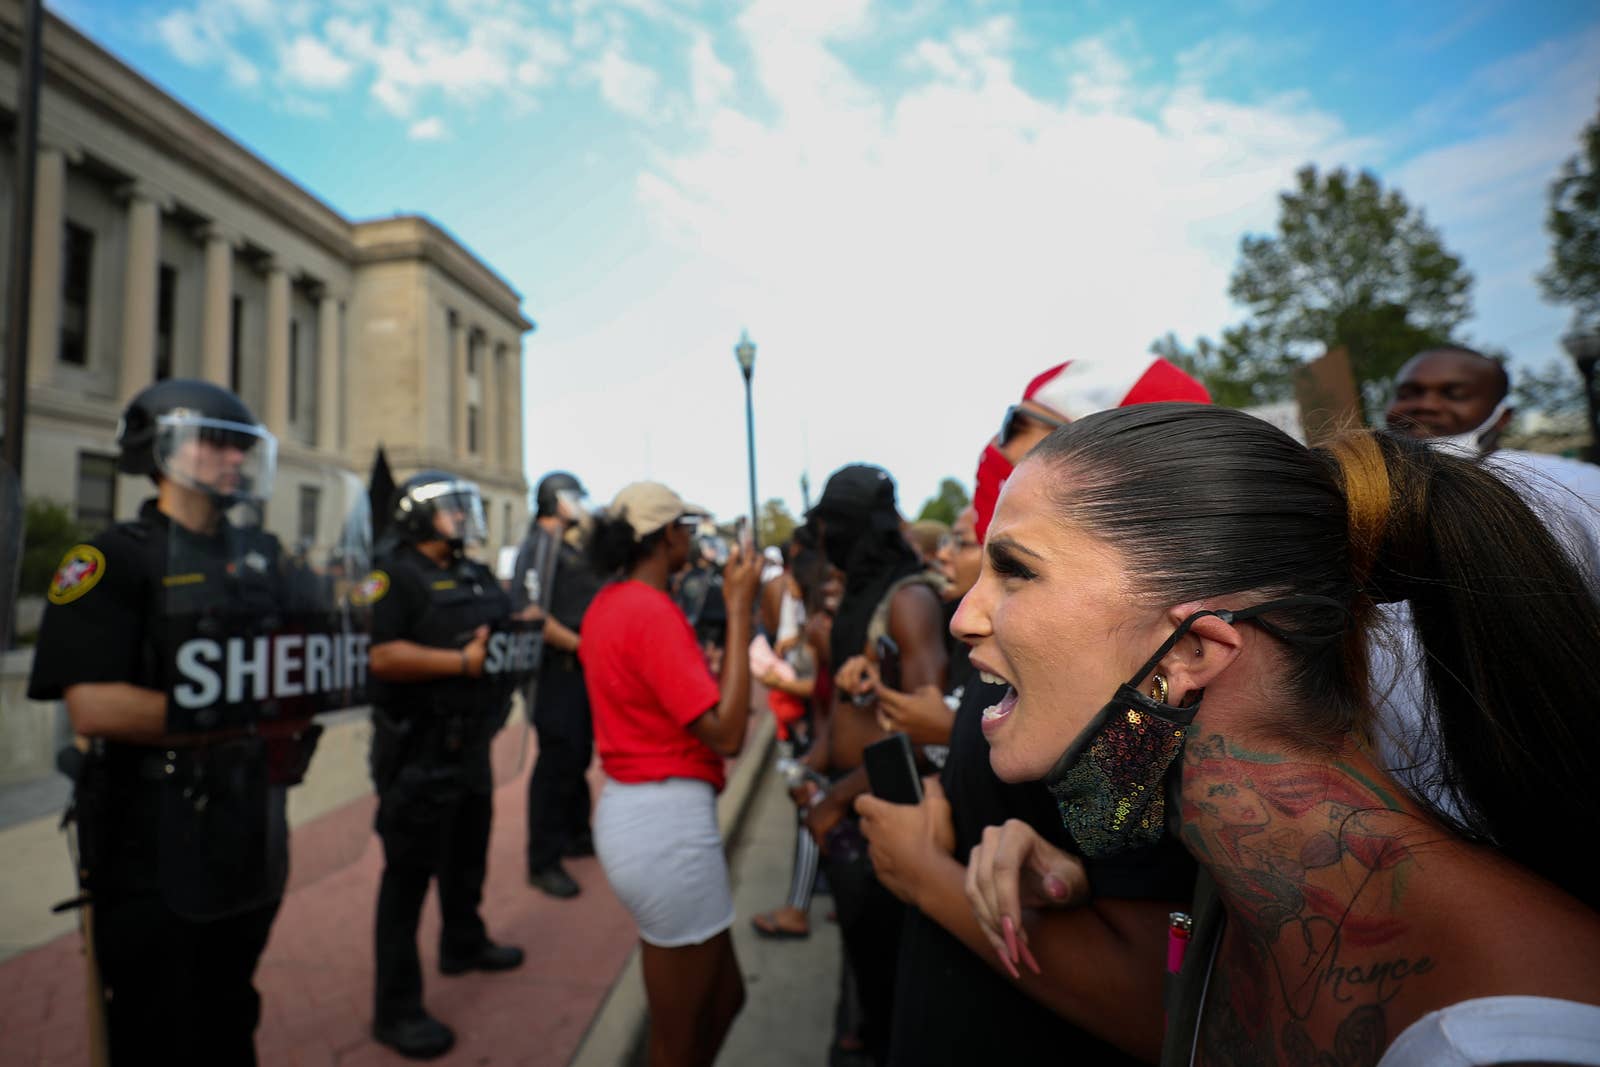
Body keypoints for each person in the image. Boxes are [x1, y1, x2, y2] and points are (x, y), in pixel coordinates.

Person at [960, 403, 1600, 1066]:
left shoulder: (1509, 1034)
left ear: (1189, 653)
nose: (963, 617)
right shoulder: (1232, 891)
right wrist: (1073, 884)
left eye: (1016, 571)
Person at [856, 360, 1207, 1066]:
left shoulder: (1139, 709)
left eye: (1016, 569)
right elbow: (1070, 849)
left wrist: (926, 874)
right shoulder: (1078, 667)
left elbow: (1156, 1002)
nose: (965, 618)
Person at [26, 379, 302, 1064]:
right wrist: (235, 716)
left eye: (242, 447)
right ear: (162, 448)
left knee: (232, 1007)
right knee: (159, 1024)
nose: (234, 461)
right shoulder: (110, 559)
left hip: (250, 826)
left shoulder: (261, 559)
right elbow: (94, 705)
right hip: (153, 838)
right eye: (217, 442)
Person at [581, 482, 764, 1066]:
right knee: (677, 1042)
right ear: (665, 537)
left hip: (649, 816)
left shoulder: (609, 604)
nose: (691, 535)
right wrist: (738, 608)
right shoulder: (648, 610)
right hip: (665, 827)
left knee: (724, 996)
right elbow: (728, 733)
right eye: (684, 525)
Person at [1377, 345, 1600, 816]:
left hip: (1542, 794)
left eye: (1453, 393)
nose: (1425, 405)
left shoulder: (1577, 487)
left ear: (1502, 416)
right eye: (1410, 392)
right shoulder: (1354, 495)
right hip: (1389, 797)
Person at [367, 471, 527, 1060]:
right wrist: (461, 662)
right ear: (415, 518)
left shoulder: (475, 571)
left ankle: (463, 941)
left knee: (467, 856)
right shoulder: (393, 577)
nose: (462, 517)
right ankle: (397, 1007)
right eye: (449, 509)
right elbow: (380, 655)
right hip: (417, 750)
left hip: (472, 745)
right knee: (407, 880)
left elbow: (504, 624)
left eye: (464, 507)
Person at [516, 471, 603, 899]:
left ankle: (575, 833)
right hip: (556, 671)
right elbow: (532, 613)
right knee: (556, 761)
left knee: (575, 756)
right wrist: (582, 646)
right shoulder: (541, 547)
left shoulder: (566, 547)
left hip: (577, 670)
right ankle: (543, 859)